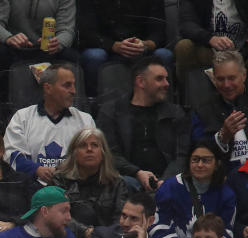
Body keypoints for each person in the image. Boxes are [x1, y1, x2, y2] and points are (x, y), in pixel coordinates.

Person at [97, 57, 189, 191]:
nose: (167, 84)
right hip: (128, 178)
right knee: (124, 183)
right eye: (159, 79)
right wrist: (137, 172)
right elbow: (109, 154)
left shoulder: (175, 113)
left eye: (167, 79)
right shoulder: (111, 112)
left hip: (167, 179)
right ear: (141, 82)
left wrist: (166, 180)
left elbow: (182, 156)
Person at [4, 64, 95, 183]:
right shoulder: (22, 117)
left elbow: (94, 158)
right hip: (31, 189)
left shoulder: (85, 120)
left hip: (75, 189)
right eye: (67, 85)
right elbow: (12, 154)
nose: (73, 91)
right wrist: (36, 169)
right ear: (48, 88)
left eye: (73, 85)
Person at [150, 141, 237, 238]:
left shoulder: (226, 193)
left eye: (206, 160)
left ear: (217, 164)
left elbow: (227, 231)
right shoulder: (169, 188)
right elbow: (157, 228)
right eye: (195, 159)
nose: (200, 165)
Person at [46, 128, 129, 238]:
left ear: (103, 152)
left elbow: (121, 219)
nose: (89, 149)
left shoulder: (117, 183)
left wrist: (103, 237)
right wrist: (85, 232)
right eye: (83, 145)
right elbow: (55, 214)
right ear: (74, 153)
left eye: (95, 145)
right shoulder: (59, 180)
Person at [77, 0, 172, 97]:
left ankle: (164, 103)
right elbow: (87, 32)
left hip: (142, 47)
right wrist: (113, 45)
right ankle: (93, 103)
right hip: (106, 47)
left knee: (164, 55)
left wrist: (145, 44)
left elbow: (159, 31)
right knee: (94, 56)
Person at [0, 0, 80, 78]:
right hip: (12, 48)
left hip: (47, 50)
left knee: (70, 56)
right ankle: (4, 99)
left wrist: (58, 43)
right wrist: (8, 38)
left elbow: (66, 30)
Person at [190, 51, 248, 171]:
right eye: (221, 79)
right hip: (222, 178)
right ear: (214, 79)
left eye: (232, 78)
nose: (226, 85)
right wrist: (222, 138)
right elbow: (199, 150)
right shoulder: (203, 111)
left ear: (244, 75)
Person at [175, 0, 248, 92]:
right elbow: (186, 24)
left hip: (242, 52)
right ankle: (188, 98)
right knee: (184, 47)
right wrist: (210, 39)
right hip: (209, 50)